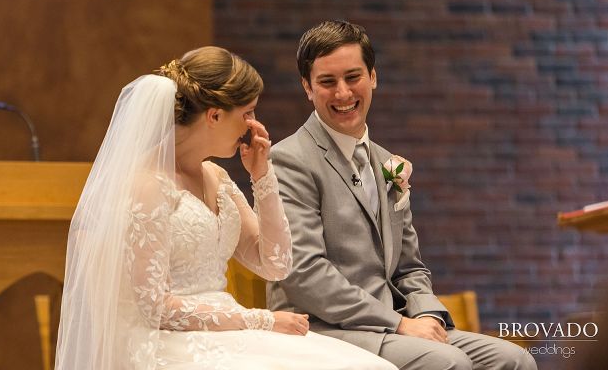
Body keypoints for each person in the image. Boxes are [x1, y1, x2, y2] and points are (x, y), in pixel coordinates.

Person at [54, 46, 397, 369]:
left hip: (228, 330)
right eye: (247, 113)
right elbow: (155, 308)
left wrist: (263, 178)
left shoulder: (215, 176)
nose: (253, 124)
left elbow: (275, 264)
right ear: (215, 115)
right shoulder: (146, 185)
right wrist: (261, 319)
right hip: (165, 343)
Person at [268, 21, 537, 370]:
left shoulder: (386, 161)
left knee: (514, 359)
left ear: (373, 77)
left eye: (353, 77)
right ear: (307, 86)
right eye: (327, 82)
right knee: (449, 363)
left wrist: (427, 314)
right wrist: (399, 324)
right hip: (324, 327)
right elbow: (304, 273)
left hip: (395, 323)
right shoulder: (289, 159)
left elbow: (410, 266)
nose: (343, 93)